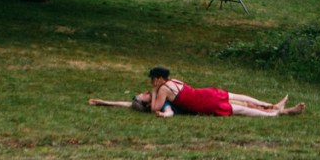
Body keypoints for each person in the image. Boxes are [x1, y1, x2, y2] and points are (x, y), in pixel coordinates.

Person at [147, 66, 305, 118]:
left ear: (160, 79)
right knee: (242, 101)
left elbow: (155, 108)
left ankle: (273, 113)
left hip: (205, 103)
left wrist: (154, 92)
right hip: (207, 93)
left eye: (153, 79)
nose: (151, 82)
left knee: (242, 108)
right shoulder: (174, 81)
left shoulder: (163, 89)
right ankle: (275, 108)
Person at [88, 90, 290, 116]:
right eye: (143, 96)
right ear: (148, 103)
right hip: (206, 106)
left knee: (243, 100)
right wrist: (163, 115)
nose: (144, 93)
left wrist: (102, 101)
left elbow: (125, 103)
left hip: (206, 98)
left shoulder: (159, 97)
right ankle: (279, 110)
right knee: (245, 105)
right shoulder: (165, 104)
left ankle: (275, 106)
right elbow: (169, 113)